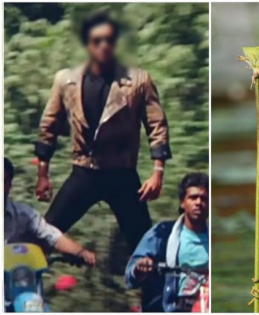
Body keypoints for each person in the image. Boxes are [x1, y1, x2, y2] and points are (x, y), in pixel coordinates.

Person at [34, 12, 171, 251]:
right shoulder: (66, 81)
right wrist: (43, 174)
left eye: (109, 40)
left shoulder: (138, 80)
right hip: (84, 173)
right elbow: (49, 126)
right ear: (87, 45)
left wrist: (157, 172)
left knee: (147, 249)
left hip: (123, 175)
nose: (104, 46)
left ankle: (155, 287)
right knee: (44, 236)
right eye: (97, 41)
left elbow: (157, 126)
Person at [125, 173, 209, 312]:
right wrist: (140, 269)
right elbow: (130, 276)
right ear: (182, 202)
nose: (198, 203)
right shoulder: (162, 234)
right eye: (193, 197)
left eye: (204, 198)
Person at [4, 158, 96, 264]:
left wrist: (81, 253)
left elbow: (53, 236)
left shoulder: (24, 215)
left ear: (10, 184)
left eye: (3, 181)